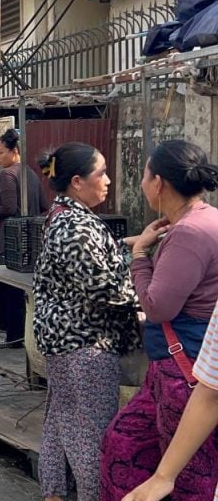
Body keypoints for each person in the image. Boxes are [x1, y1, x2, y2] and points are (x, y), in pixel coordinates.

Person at [101, 139, 218, 501]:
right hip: (175, 366)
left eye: (144, 174)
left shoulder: (188, 233)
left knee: (188, 475)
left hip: (185, 372)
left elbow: (157, 307)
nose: (142, 183)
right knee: (124, 441)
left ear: (158, 183)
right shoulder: (201, 220)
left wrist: (139, 255)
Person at [33, 143, 140, 501]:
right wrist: (146, 285)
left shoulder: (64, 215)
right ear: (77, 182)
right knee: (91, 438)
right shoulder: (75, 225)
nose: (108, 181)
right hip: (84, 345)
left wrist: (128, 244)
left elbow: (91, 260)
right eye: (101, 173)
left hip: (66, 343)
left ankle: (54, 494)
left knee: (60, 425)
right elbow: (106, 289)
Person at [122, 303, 218, 501]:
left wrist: (164, 477)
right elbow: (211, 392)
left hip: (178, 368)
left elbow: (159, 305)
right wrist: (163, 477)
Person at [0, 129, 48, 348]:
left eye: (1, 152)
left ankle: (11, 333)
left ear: (14, 151)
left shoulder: (8, 175)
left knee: (3, 284)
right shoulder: (30, 173)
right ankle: (15, 330)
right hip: (29, 239)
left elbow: (9, 208)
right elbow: (43, 206)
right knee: (18, 288)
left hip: (10, 239)